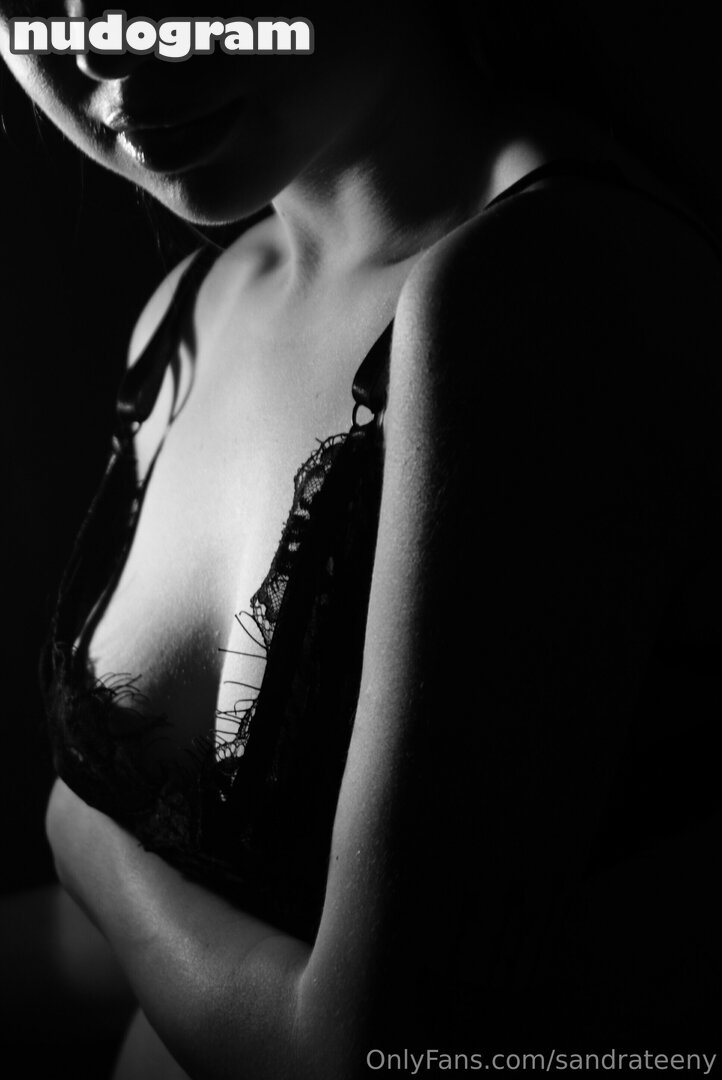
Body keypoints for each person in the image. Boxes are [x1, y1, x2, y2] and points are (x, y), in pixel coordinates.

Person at [1, 6, 720, 1077]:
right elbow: (193, 940)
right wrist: (98, 879)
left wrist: (82, 841)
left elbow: (374, 1053)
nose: (108, 41)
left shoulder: (543, 290)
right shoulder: (192, 309)